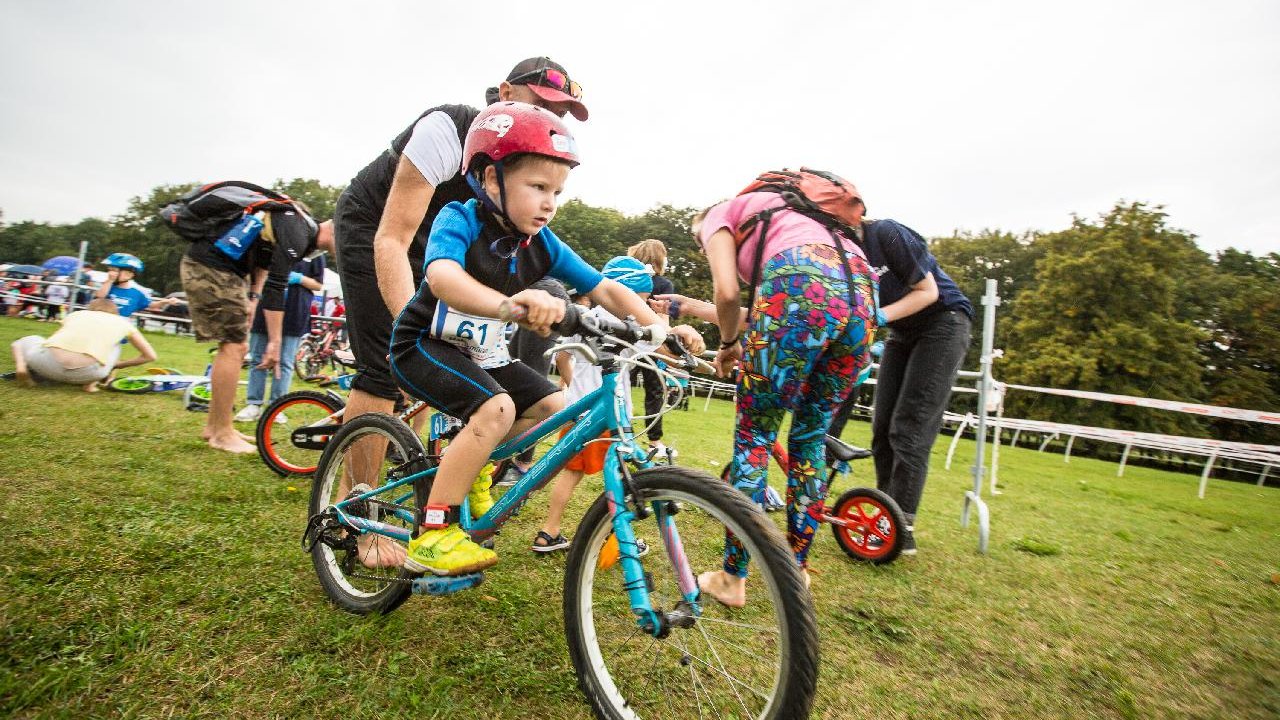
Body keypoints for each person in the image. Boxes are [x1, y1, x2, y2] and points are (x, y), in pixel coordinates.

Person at [388, 102, 691, 577]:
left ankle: (475, 465)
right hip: (424, 344)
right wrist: (510, 306)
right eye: (537, 187)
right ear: (491, 179)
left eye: (558, 191)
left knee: (554, 407)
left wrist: (663, 332)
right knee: (498, 408)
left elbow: (605, 288)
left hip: (482, 353)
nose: (550, 202)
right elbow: (444, 277)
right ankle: (433, 532)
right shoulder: (459, 217)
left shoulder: (542, 243)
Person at [332, 56, 589, 472]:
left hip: (442, 244)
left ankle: (423, 465)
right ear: (505, 94)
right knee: (386, 362)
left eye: (558, 114)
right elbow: (393, 239)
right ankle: (357, 512)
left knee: (461, 365)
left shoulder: (524, 173)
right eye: (541, 105)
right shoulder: (447, 130)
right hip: (377, 227)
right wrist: (408, 337)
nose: (549, 120)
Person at [688, 176, 877, 607]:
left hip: (802, 283)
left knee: (754, 434)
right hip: (862, 295)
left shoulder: (719, 216)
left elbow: (727, 291)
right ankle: (797, 570)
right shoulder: (799, 215)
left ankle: (733, 578)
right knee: (809, 439)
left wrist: (728, 344)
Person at [532, 256, 704, 553]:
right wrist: (672, 324)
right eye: (641, 299)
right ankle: (619, 539)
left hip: (580, 408)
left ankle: (549, 531)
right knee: (622, 474)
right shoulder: (627, 323)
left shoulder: (585, 314)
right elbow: (667, 351)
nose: (643, 306)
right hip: (610, 413)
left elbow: (562, 354)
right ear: (627, 293)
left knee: (571, 473)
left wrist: (573, 384)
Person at [825, 218, 974, 555]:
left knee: (909, 427)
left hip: (944, 322)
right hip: (901, 332)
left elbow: (927, 291)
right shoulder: (840, 255)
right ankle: (884, 517)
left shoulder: (886, 233)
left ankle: (901, 528)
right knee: (882, 428)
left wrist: (874, 318)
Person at [176, 191, 332, 454]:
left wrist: (251, 297)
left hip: (227, 271)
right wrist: (275, 341)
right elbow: (277, 286)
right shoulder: (299, 230)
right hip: (212, 267)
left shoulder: (295, 226)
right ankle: (222, 433)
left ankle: (215, 426)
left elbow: (263, 263)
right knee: (234, 347)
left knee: (235, 346)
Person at [234, 253, 327, 423]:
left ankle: (276, 406)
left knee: (285, 362)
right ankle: (254, 404)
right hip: (264, 310)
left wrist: (298, 278)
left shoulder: (315, 254)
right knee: (258, 359)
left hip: (294, 314)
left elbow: (318, 285)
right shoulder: (273, 246)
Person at [498, 276, 572, 485]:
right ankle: (504, 454)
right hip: (535, 293)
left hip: (543, 296)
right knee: (509, 370)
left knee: (534, 392)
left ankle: (522, 464)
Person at [10, 298, 157, 391]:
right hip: (88, 373)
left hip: (46, 365)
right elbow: (150, 356)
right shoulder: (124, 323)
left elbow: (59, 337)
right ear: (115, 312)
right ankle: (90, 385)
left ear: (91, 308)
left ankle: (22, 368)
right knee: (116, 345)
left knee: (21, 342)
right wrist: (116, 365)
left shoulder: (76, 314)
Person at [626, 239, 678, 458]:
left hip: (624, 337)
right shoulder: (664, 285)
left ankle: (618, 432)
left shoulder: (627, 279)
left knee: (619, 387)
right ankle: (654, 441)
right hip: (652, 343)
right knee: (655, 392)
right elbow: (665, 318)